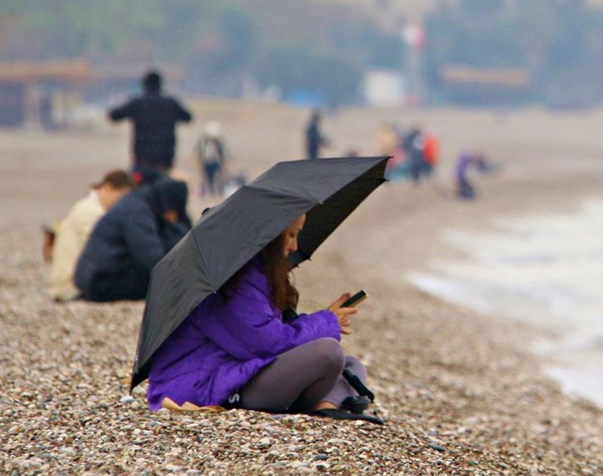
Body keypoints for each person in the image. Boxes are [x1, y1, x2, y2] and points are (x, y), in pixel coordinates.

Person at [146, 214, 378, 421]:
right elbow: (268, 344)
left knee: (351, 364)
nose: (294, 246)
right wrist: (327, 322)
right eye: (290, 235)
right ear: (268, 236)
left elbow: (272, 334)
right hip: (207, 387)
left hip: (241, 370)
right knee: (328, 352)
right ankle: (327, 403)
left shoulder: (255, 273)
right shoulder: (228, 282)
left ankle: (325, 407)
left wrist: (326, 319)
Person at [74, 177, 191, 302]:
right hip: (99, 283)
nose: (172, 218)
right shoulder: (137, 212)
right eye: (172, 212)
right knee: (161, 282)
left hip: (92, 277)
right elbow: (151, 258)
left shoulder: (140, 201)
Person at [46, 169, 136, 302]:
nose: (123, 202)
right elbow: (96, 253)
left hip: (73, 283)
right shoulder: (90, 211)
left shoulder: (92, 208)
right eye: (121, 196)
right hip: (70, 287)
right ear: (108, 188)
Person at [108, 70, 193, 177]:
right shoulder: (170, 103)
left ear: (144, 85)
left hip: (142, 162)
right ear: (160, 84)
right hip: (165, 162)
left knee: (137, 191)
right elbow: (188, 117)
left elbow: (113, 116)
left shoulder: (137, 103)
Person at [195, 122, 229, 197]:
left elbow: (222, 155)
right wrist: (200, 165)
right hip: (207, 163)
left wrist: (223, 166)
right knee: (207, 178)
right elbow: (200, 154)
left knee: (218, 178)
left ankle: (218, 192)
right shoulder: (204, 143)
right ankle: (208, 192)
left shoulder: (219, 143)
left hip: (216, 163)